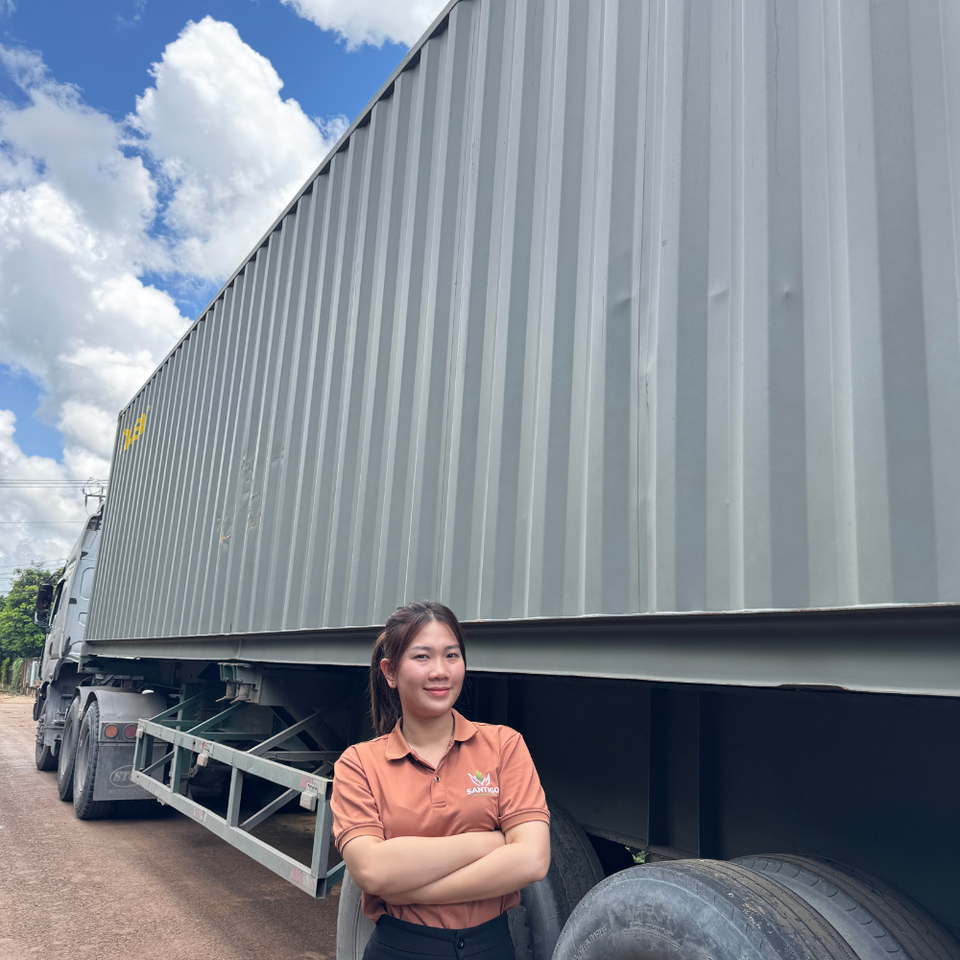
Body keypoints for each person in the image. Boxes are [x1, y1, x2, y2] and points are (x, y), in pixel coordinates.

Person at [331, 600, 551, 960]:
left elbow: (532, 860)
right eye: (422, 657)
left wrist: (408, 891)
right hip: (400, 949)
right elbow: (372, 869)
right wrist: (492, 841)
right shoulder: (359, 764)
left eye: (451, 655)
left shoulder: (504, 745)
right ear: (390, 672)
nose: (440, 671)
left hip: (491, 948)